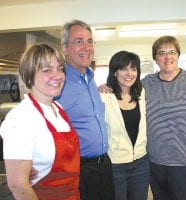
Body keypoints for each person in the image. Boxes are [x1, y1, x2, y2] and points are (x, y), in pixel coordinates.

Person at [0, 43, 80, 200]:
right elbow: (18, 185)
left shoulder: (58, 108)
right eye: (47, 70)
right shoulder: (22, 118)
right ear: (29, 76)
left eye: (60, 68)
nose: (57, 75)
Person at [142, 35, 186, 200]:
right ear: (155, 58)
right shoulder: (147, 83)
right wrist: (107, 86)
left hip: (184, 162)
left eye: (172, 52)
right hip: (155, 162)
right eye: (162, 53)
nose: (168, 57)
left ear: (178, 55)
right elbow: (124, 91)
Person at [57, 19, 115, 200]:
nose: (87, 47)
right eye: (79, 41)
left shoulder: (90, 79)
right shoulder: (59, 83)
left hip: (104, 165)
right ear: (65, 48)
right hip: (80, 170)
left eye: (90, 41)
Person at [100, 51, 149, 200]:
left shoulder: (141, 93)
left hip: (141, 162)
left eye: (133, 69)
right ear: (115, 72)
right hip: (116, 165)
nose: (129, 73)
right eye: (123, 69)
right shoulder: (103, 97)